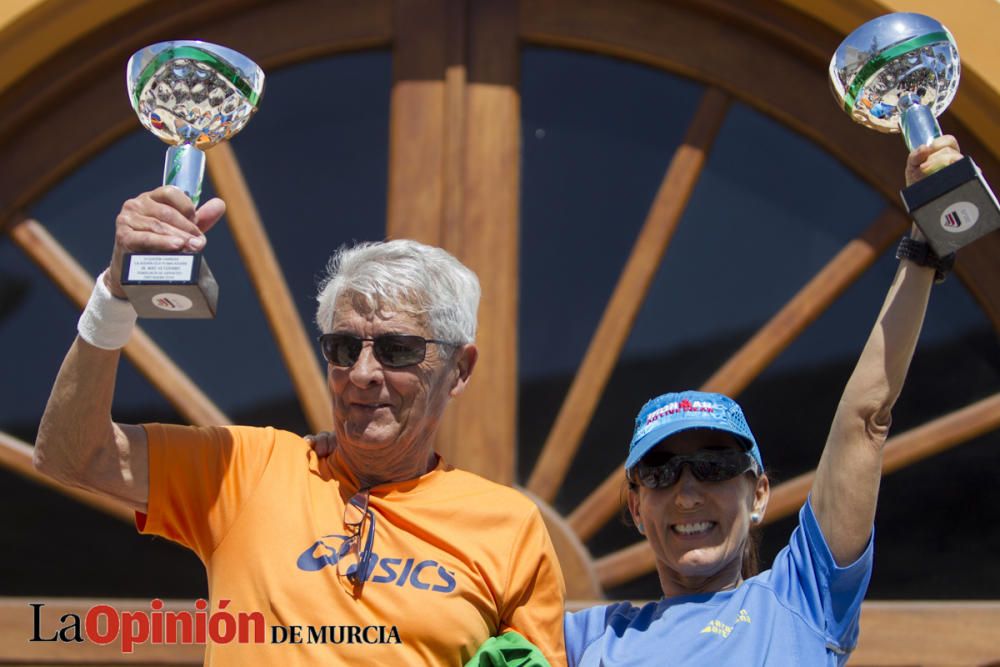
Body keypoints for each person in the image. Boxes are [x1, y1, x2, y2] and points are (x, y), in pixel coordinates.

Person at [33, 191, 567, 665]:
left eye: (397, 350)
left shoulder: (509, 526)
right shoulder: (248, 469)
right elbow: (70, 455)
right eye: (342, 347)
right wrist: (116, 294)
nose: (362, 374)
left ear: (460, 370)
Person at [559, 137, 968, 666]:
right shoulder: (585, 638)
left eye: (713, 467)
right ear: (637, 507)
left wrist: (924, 247)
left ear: (759, 495)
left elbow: (866, 419)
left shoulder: (803, 599)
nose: (686, 494)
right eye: (661, 473)